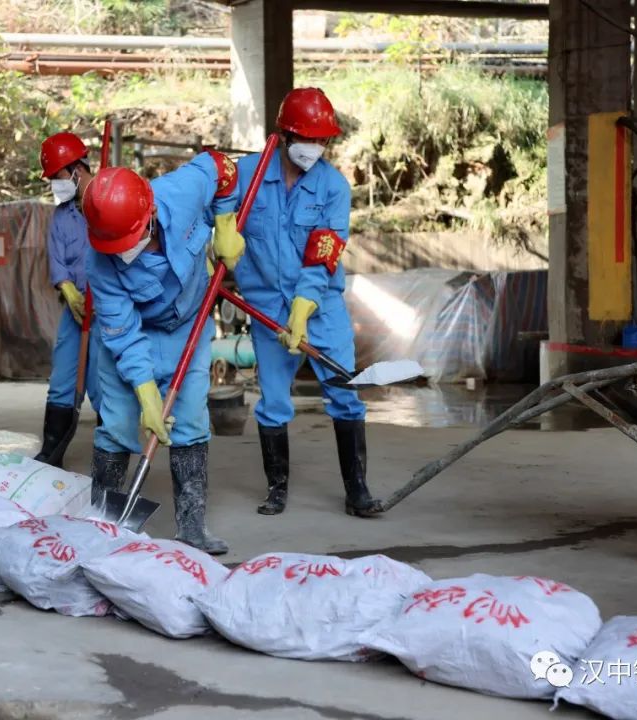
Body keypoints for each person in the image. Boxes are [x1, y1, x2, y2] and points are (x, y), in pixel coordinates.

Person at [83, 153, 243, 555]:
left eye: (127, 241)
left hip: (189, 325)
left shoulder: (182, 191)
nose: (120, 252)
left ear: (149, 214)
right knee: (118, 423)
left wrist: (225, 224)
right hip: (133, 334)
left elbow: (221, 167)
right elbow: (123, 334)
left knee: (190, 420)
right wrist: (147, 394)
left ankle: (192, 528)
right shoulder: (100, 261)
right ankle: (102, 524)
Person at [232, 87, 379, 517]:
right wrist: (216, 238)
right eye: (306, 139)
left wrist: (302, 309)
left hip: (322, 307)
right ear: (284, 134)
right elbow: (213, 213)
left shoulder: (333, 188)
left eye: (322, 141)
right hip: (265, 307)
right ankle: (276, 488)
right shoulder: (246, 175)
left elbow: (322, 255)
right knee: (274, 401)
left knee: (345, 394)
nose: (314, 148)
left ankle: (357, 491)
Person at [34, 132, 102, 467]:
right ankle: (52, 453)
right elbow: (57, 260)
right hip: (74, 309)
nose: (55, 184)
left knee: (104, 384)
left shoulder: (108, 201)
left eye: (57, 176)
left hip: (107, 309)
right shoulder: (61, 217)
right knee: (62, 380)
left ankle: (110, 458)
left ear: (76, 168)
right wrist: (68, 290)